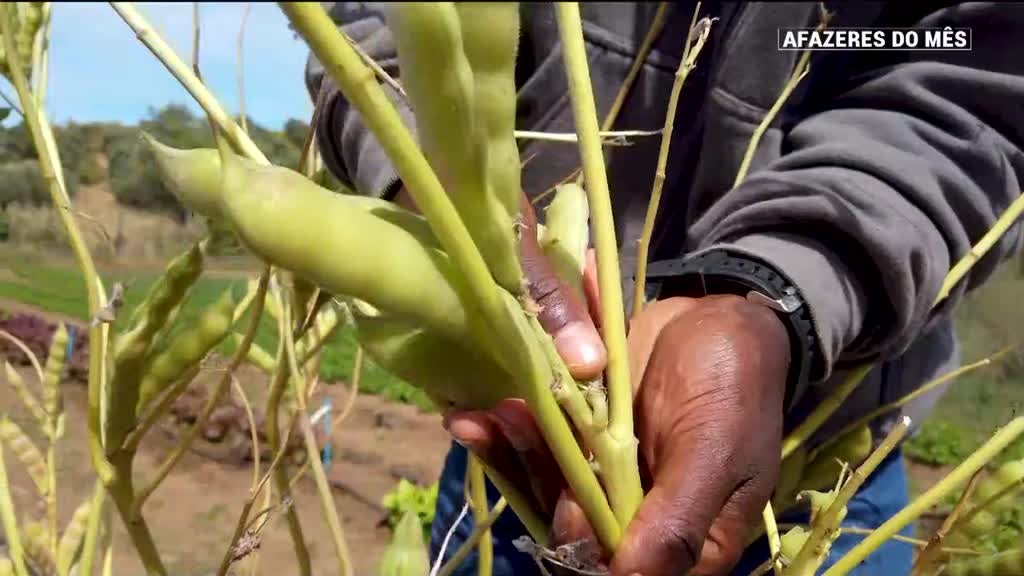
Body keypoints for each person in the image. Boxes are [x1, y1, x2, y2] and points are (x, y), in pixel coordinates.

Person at [304, 2, 1024, 574]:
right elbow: (369, 32)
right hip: (528, 439)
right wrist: (435, 182)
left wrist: (774, 294)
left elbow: (985, 99)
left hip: (822, 468)